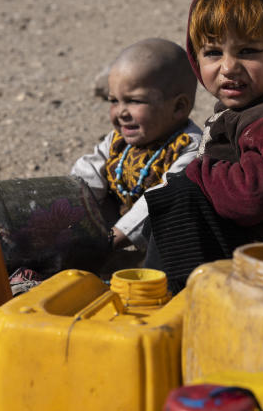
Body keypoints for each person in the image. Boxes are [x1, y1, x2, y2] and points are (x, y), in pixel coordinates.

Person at [143, 0, 263, 292]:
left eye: (249, 51)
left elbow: (252, 196)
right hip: (237, 245)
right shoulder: (249, 106)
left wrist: (197, 173)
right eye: (213, 52)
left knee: (181, 196)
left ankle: (168, 296)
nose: (229, 67)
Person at [70, 37, 202, 257]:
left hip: (163, 244)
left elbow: (156, 202)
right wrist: (62, 213)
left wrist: (106, 243)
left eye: (135, 101)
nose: (121, 112)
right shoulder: (119, 141)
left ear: (179, 107)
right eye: (114, 101)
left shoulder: (189, 147)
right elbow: (86, 176)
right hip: (117, 233)